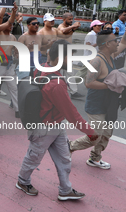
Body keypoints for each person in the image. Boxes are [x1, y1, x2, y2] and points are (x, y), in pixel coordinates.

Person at [16, 40, 98, 200]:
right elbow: (71, 113)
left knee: (65, 157)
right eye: (70, 57)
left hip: (54, 124)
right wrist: (89, 132)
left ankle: (65, 189)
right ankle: (22, 181)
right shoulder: (56, 84)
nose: (71, 61)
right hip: (44, 127)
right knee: (34, 157)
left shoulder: (42, 67)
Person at [69, 30, 119, 169]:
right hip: (96, 105)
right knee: (95, 136)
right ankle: (69, 147)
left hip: (109, 105)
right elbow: (89, 83)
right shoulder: (97, 60)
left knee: (106, 135)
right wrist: (111, 86)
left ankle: (94, 158)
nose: (118, 42)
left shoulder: (112, 55)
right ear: (107, 44)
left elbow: (125, 42)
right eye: (115, 41)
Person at [56, 12, 84, 98]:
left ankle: (73, 91)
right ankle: (57, 90)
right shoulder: (61, 26)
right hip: (61, 53)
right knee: (59, 72)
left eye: (72, 19)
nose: (71, 20)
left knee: (69, 72)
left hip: (67, 53)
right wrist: (73, 26)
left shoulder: (68, 28)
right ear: (64, 19)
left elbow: (68, 35)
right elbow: (63, 31)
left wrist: (73, 28)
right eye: (69, 19)